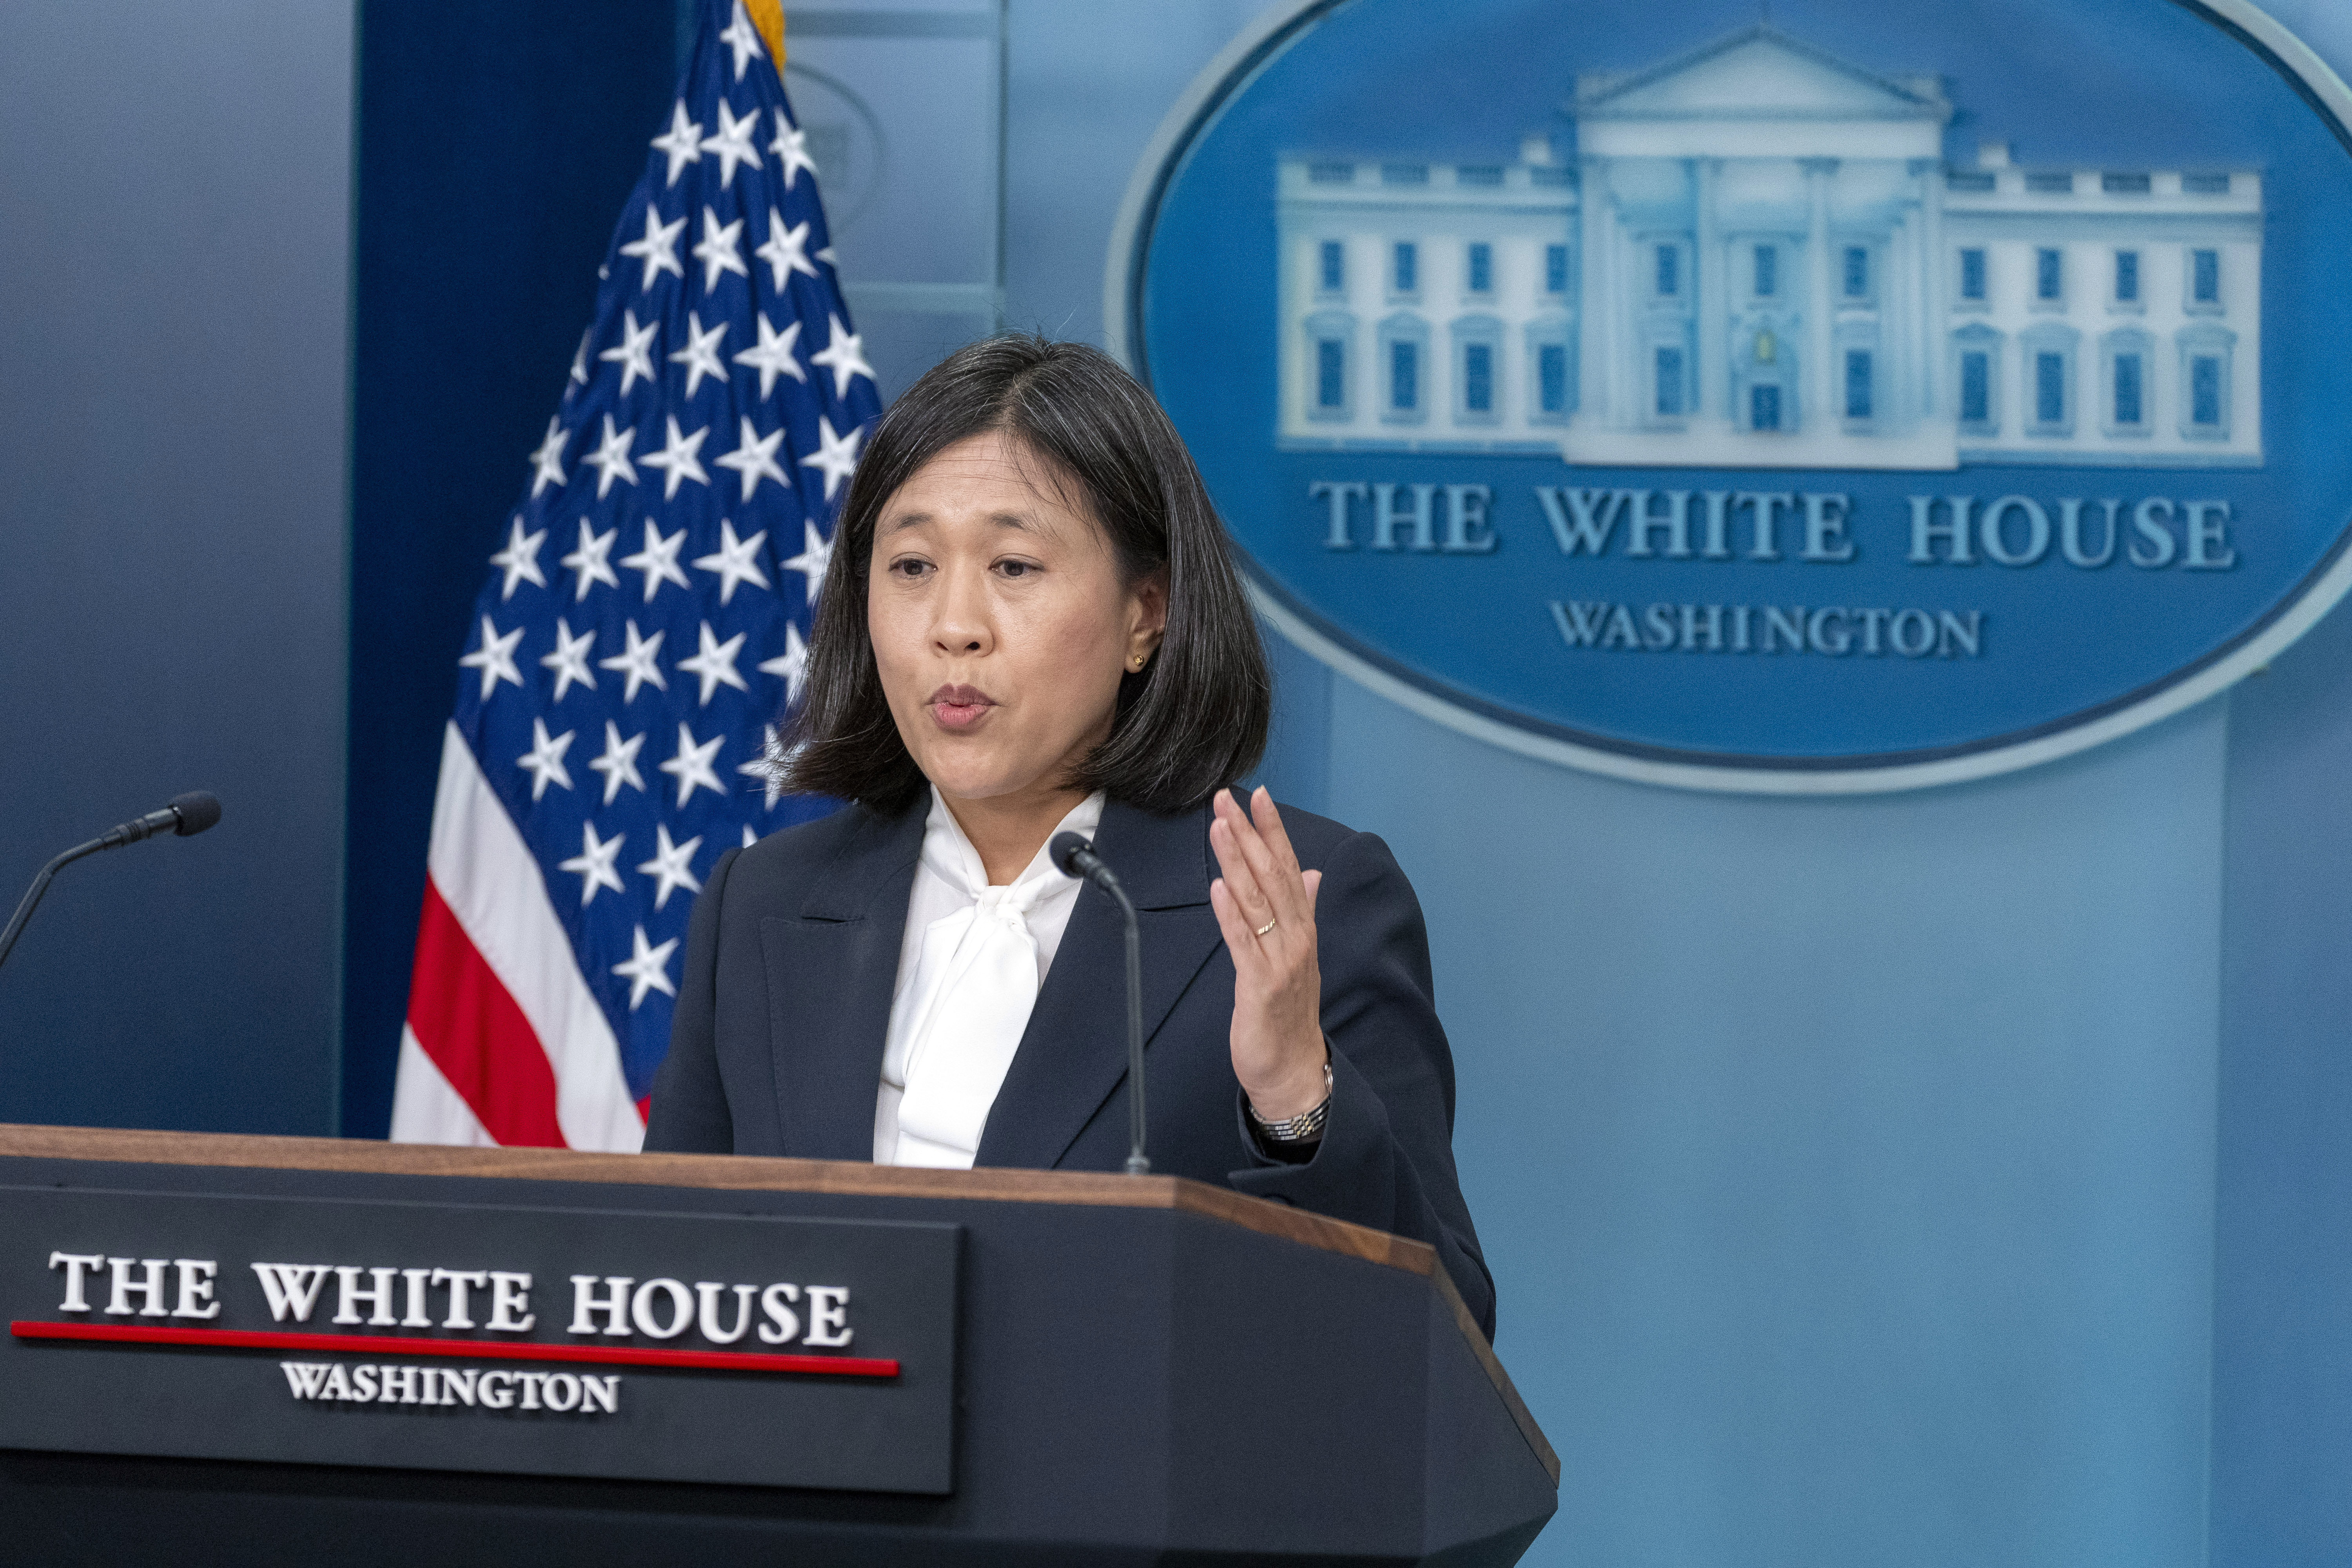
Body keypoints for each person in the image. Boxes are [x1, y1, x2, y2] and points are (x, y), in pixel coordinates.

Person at [644, 336, 1494, 1337]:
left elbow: (1442, 1337)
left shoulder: (1302, 900)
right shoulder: (765, 903)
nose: (955, 626)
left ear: (1147, 615)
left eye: (1014, 565)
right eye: (911, 564)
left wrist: (1294, 1097)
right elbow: (670, 1292)